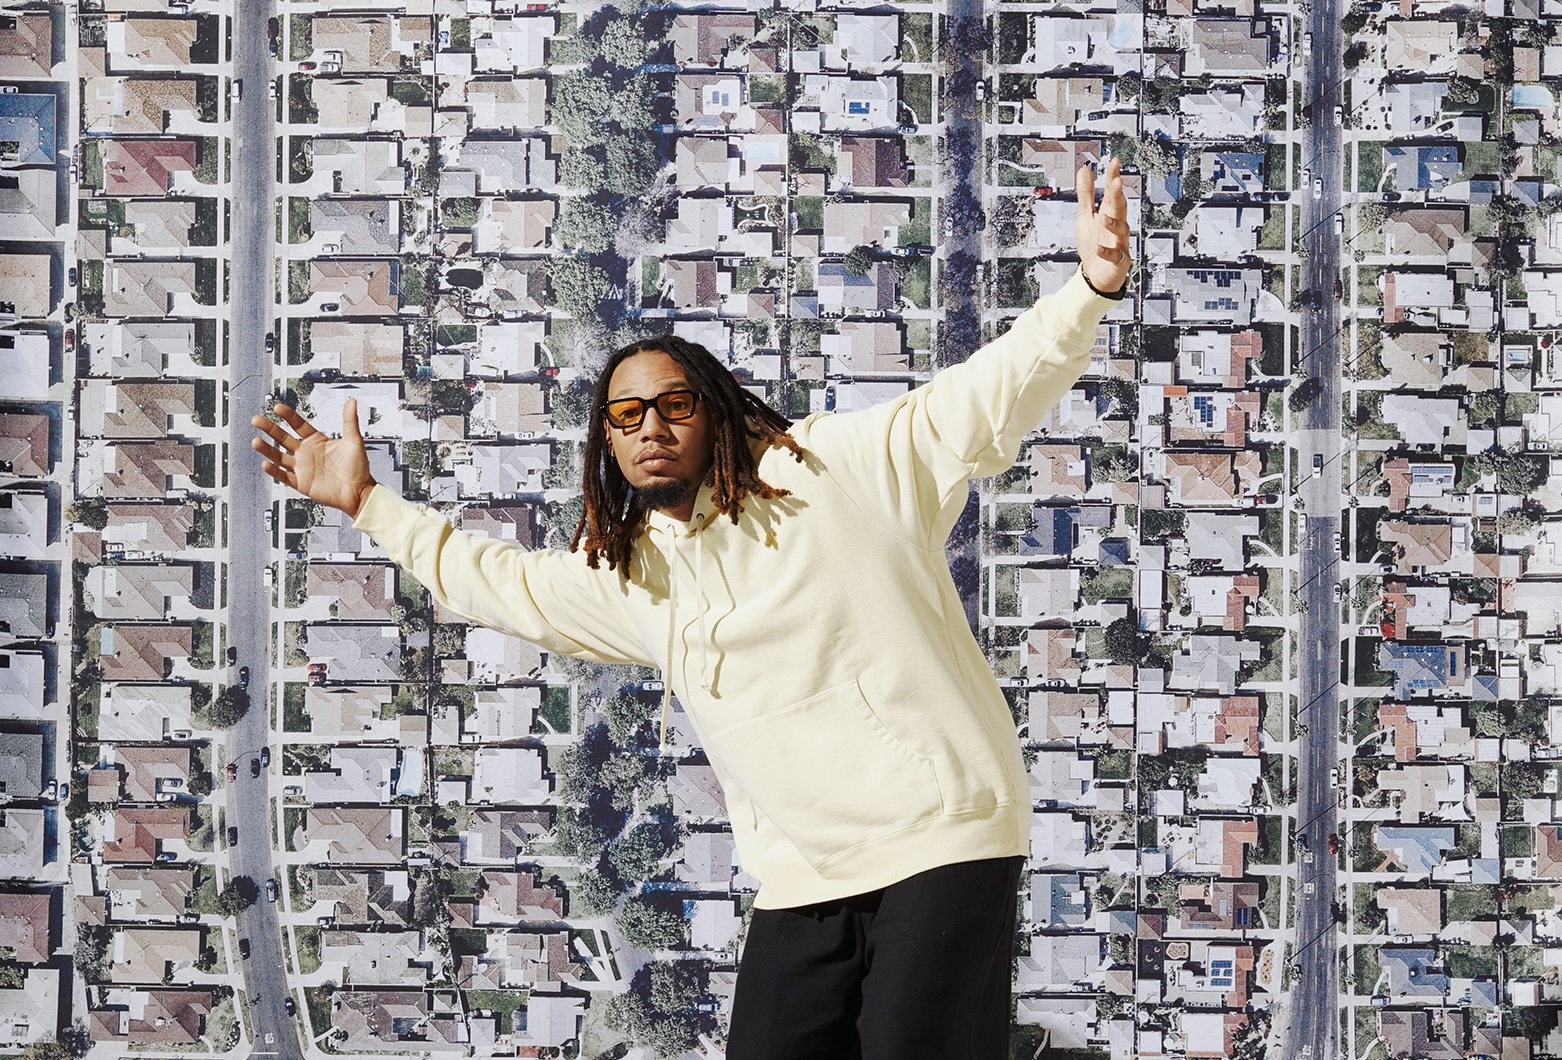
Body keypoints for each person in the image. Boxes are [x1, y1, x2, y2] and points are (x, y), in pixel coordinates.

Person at [251, 158, 1133, 1058]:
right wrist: (367, 504)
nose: (651, 427)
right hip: (804, 873)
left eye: (673, 404)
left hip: (940, 833)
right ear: (607, 443)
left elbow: (989, 395)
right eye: (625, 416)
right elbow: (499, 583)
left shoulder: (838, 468)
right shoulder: (634, 577)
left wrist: (1090, 288)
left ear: (713, 410)